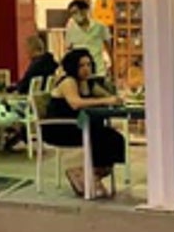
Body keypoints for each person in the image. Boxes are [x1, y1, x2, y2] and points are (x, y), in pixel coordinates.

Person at [42, 48, 126, 198]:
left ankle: (87, 174)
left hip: (80, 126)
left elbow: (109, 97)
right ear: (73, 66)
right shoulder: (68, 82)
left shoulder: (89, 83)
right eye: (81, 65)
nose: (86, 69)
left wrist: (113, 97)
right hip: (60, 128)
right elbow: (76, 103)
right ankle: (86, 176)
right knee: (102, 137)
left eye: (88, 65)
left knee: (115, 138)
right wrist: (106, 100)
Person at [64, 0, 111, 78]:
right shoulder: (71, 30)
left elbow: (109, 48)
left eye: (76, 12)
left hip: (98, 71)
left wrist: (112, 67)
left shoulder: (100, 27)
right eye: (72, 14)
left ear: (84, 11)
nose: (74, 16)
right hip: (79, 73)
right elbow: (68, 50)